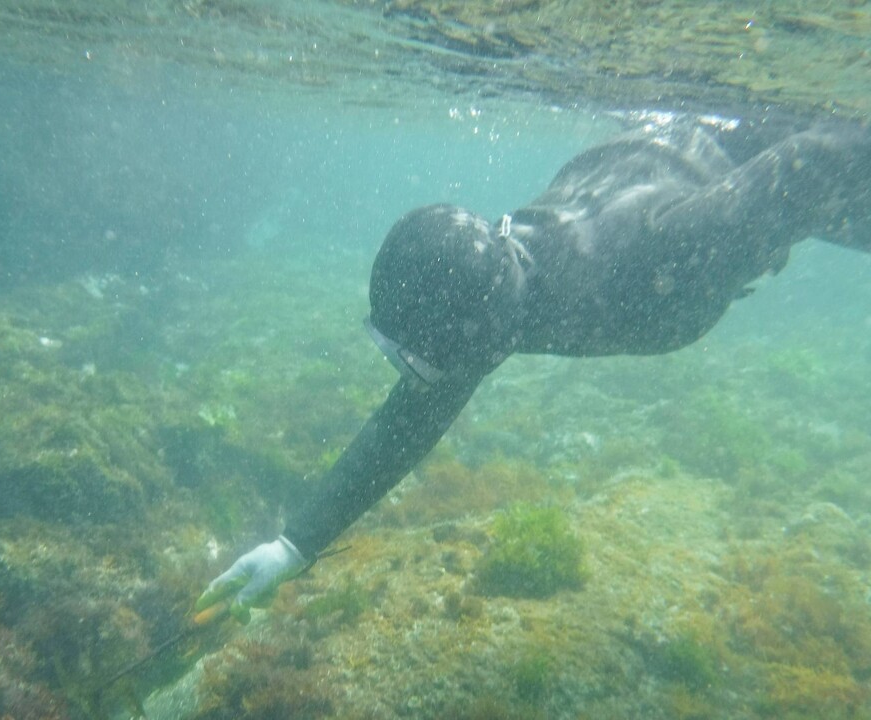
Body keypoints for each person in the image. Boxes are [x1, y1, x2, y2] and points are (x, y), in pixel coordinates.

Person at [194, 113, 871, 621]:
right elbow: (407, 423)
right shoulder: (500, 282)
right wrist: (294, 545)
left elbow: (817, 157)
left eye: (426, 361)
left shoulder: (655, 253)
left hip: (749, 143)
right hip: (683, 170)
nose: (422, 380)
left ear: (480, 341)